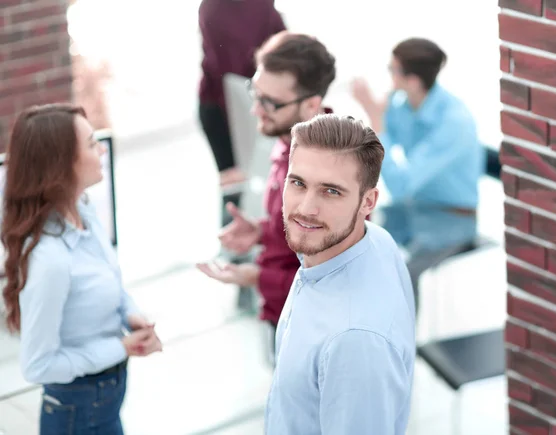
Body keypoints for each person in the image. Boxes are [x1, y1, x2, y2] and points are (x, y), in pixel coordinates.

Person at [1, 103, 162, 435]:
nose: (102, 148)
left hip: (105, 404)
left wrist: (130, 314)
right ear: (61, 164)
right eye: (91, 144)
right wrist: (122, 347)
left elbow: (110, 283)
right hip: (77, 418)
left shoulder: (83, 213)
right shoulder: (50, 260)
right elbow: (37, 366)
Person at [264, 114, 415, 434]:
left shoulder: (354, 341)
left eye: (331, 191)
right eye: (298, 182)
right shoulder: (372, 239)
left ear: (367, 201)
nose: (306, 207)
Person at [197, 31, 337, 357]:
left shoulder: (328, 175)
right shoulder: (287, 139)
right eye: (255, 94)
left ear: (311, 105)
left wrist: (257, 277)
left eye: (269, 103)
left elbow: (330, 284)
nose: (255, 110)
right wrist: (262, 231)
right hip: (283, 313)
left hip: (310, 331)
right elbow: (300, 234)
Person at [352, 38, 484, 311]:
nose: (389, 76)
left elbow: (400, 184)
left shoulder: (453, 122)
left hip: (451, 219)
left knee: (402, 272)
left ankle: (400, 345)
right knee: (349, 237)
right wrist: (378, 113)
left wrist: (376, 121)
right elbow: (384, 139)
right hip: (413, 210)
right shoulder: (404, 105)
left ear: (412, 80)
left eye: (393, 70)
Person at [198, 0, 286, 188]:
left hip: (259, 100)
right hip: (221, 109)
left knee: (269, 179)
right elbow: (226, 73)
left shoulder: (262, 5)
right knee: (236, 183)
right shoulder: (212, 8)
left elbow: (285, 46)